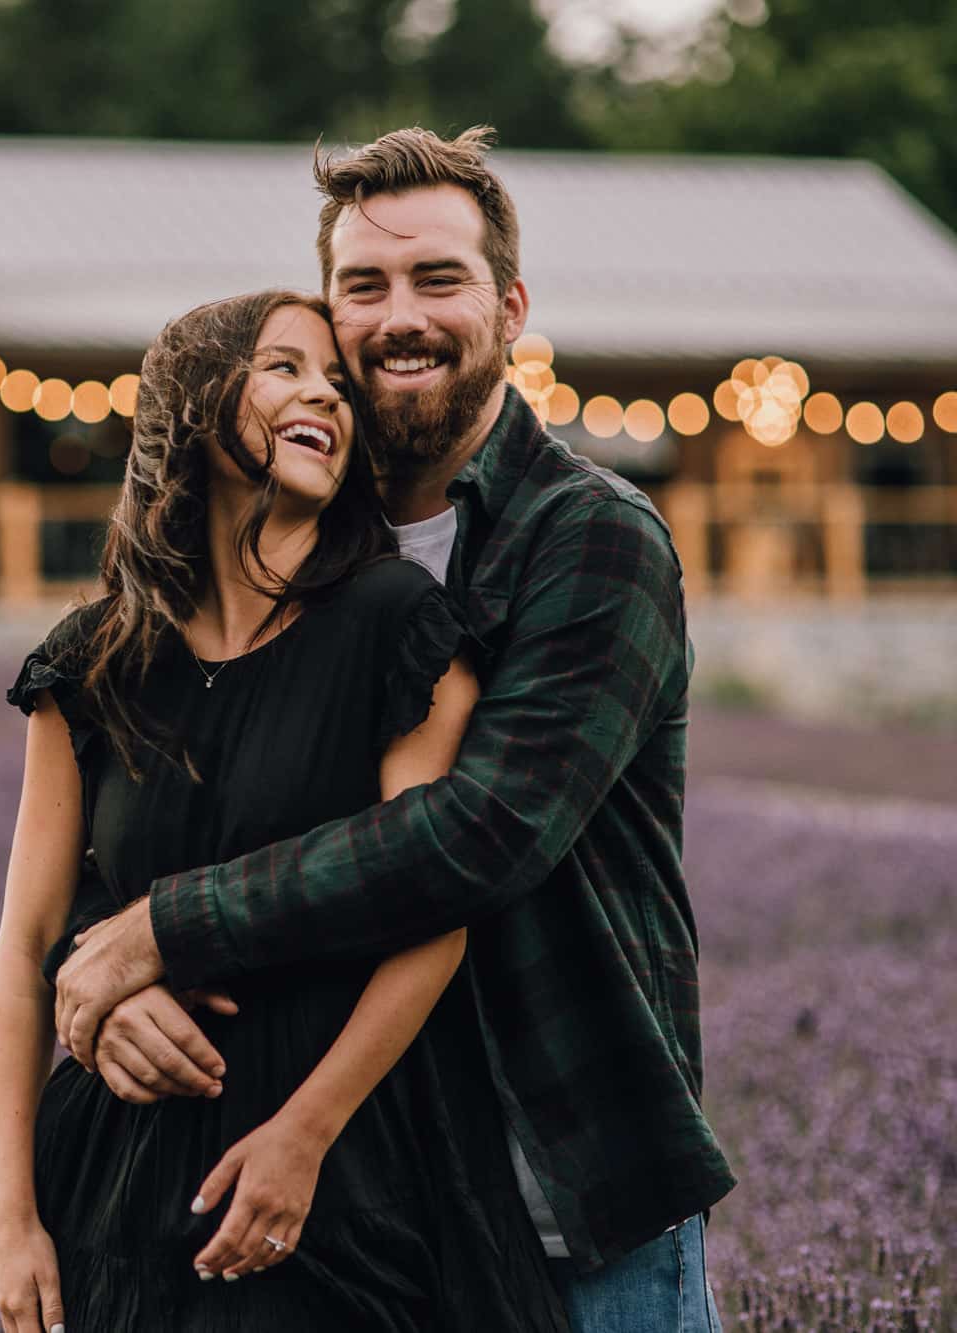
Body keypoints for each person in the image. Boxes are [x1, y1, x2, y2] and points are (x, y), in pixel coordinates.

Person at [50, 127, 735, 1333]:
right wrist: (106, 961)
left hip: (559, 1177)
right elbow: (185, 795)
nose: (396, 316)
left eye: (437, 279)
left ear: (509, 306)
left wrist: (166, 928)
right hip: (375, 1195)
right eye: (361, 287)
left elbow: (482, 831)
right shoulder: (310, 547)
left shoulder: (589, 537)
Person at [0, 287, 567, 1331]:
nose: (326, 397)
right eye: (285, 366)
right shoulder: (91, 662)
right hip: (105, 1186)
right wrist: (10, 1213)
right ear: (197, 402)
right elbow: (26, 945)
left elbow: (437, 903)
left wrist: (307, 1129)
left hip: (332, 1179)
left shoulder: (395, 623)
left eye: (338, 383)